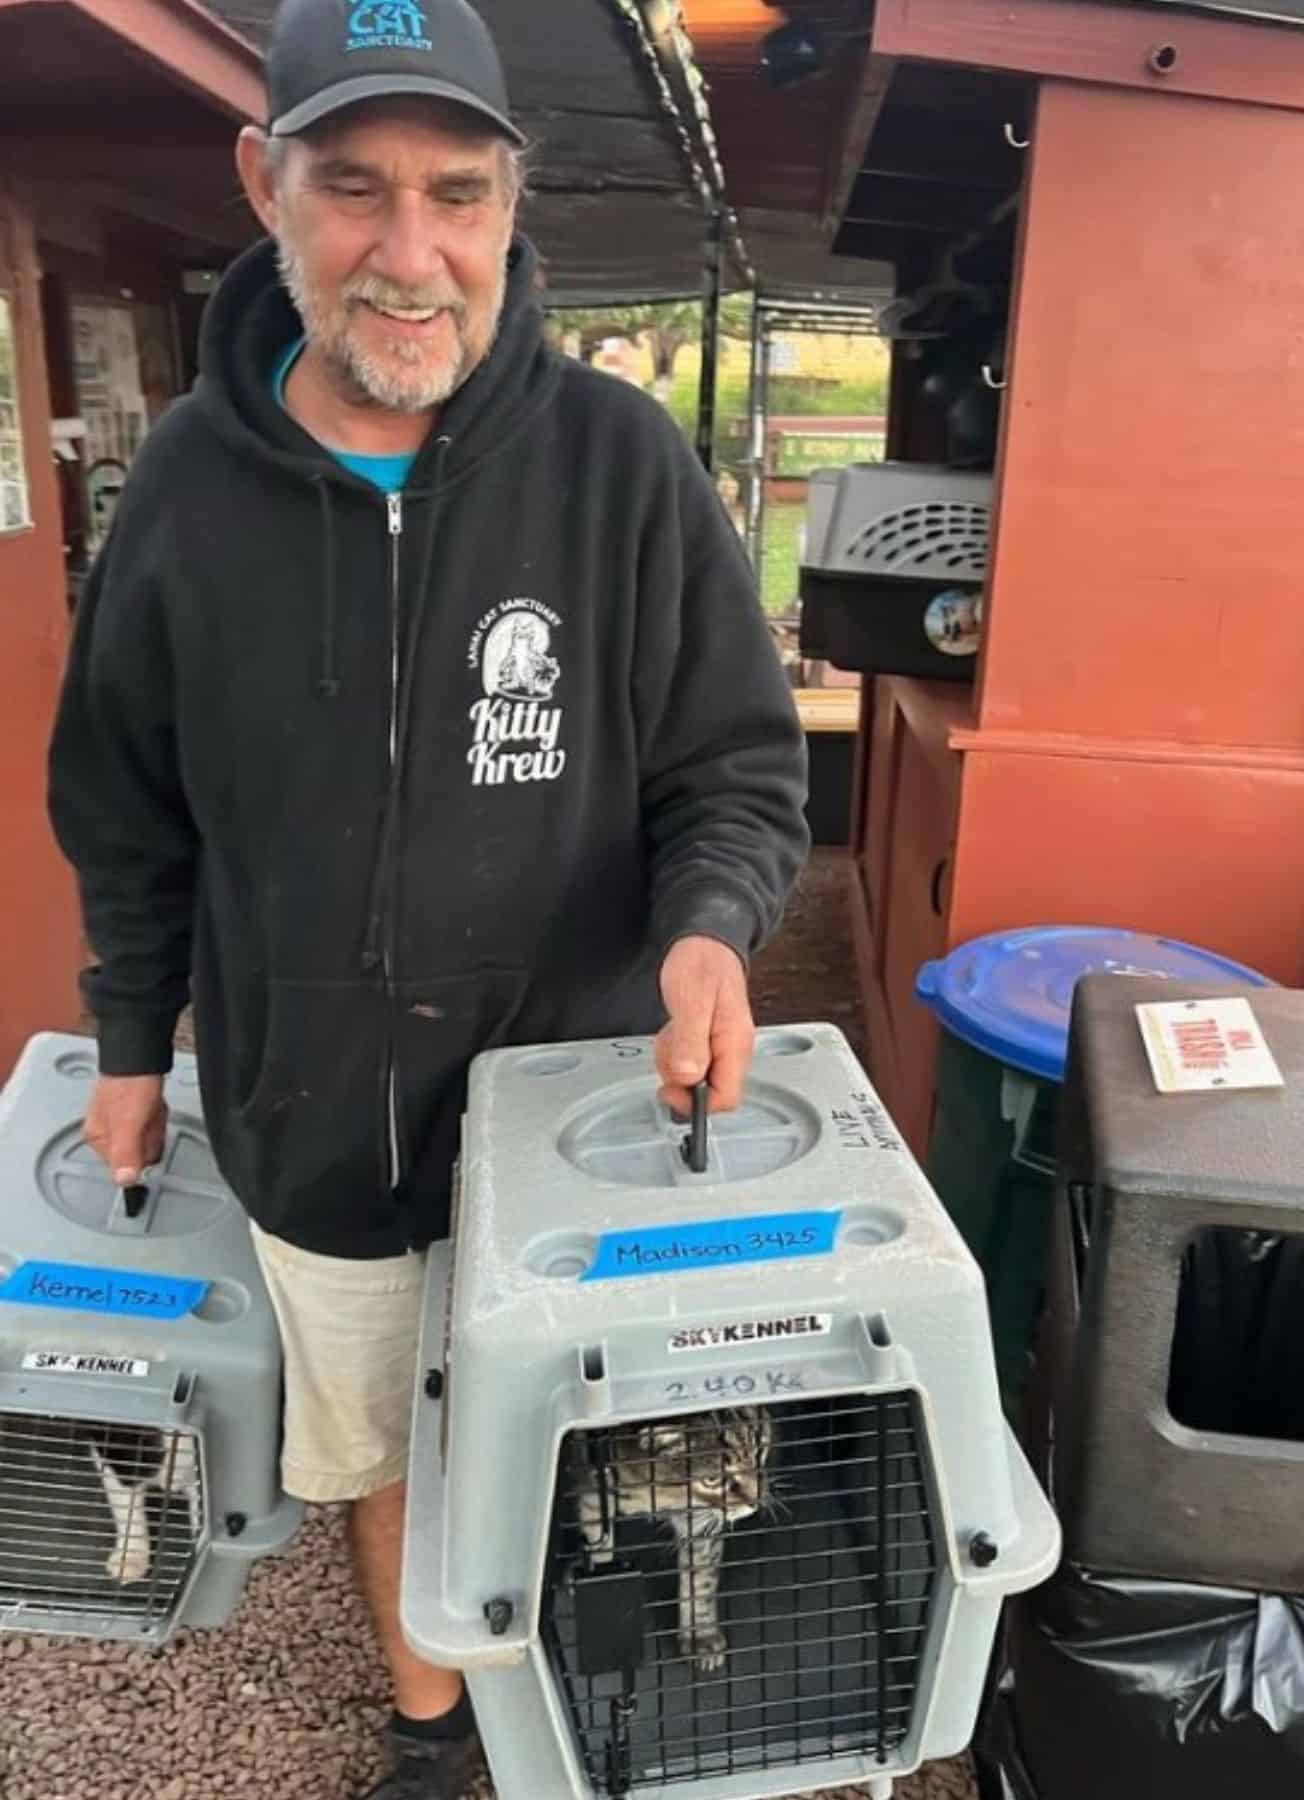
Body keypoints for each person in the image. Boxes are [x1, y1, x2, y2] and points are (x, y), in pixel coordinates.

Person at [45, 1, 808, 1794]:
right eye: (354, 189)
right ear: (265, 185)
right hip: (312, 1107)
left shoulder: (620, 466)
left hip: (578, 1102)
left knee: (599, 1426)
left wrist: (710, 927)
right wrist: (132, 1039)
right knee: (381, 1432)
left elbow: (738, 768)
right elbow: (129, 807)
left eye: (456, 194)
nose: (411, 254)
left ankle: (597, 1679)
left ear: (508, 202)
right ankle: (434, 1725)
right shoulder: (180, 488)